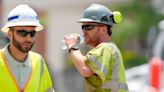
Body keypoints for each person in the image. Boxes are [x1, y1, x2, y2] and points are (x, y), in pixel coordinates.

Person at [64, 4, 128, 92]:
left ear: (104, 29)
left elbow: (85, 69)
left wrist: (72, 46)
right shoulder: (107, 50)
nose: (84, 31)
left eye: (89, 27)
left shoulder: (106, 48)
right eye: (83, 27)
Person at [0, 4, 54, 92]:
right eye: (22, 32)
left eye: (32, 33)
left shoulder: (38, 61)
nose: (28, 38)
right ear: (10, 34)